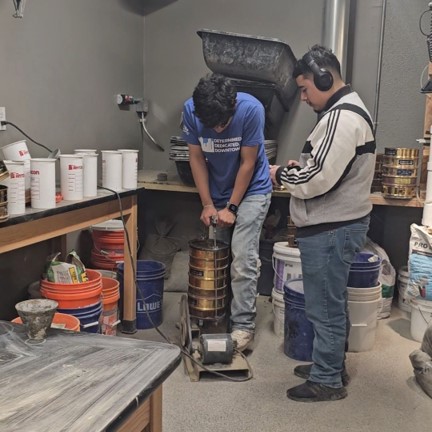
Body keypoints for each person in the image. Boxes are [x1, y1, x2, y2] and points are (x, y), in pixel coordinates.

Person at [270, 45, 376, 402]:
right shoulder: (344, 113)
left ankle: (327, 380)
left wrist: (281, 174)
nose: (303, 97)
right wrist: (298, 168)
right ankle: (329, 363)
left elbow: (318, 179)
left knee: (324, 306)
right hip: (337, 225)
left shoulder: (341, 118)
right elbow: (324, 167)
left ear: (324, 78)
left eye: (305, 89)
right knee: (331, 301)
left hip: (332, 227)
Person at [182, 73, 272, 352]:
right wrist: (208, 204)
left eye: (224, 124)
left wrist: (232, 207)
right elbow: (196, 157)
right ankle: (215, 319)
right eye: (213, 125)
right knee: (217, 257)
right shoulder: (190, 111)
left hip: (253, 189)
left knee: (243, 255)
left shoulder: (251, 109)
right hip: (217, 190)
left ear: (232, 108)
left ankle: (243, 327)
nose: (218, 130)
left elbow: (248, 163)